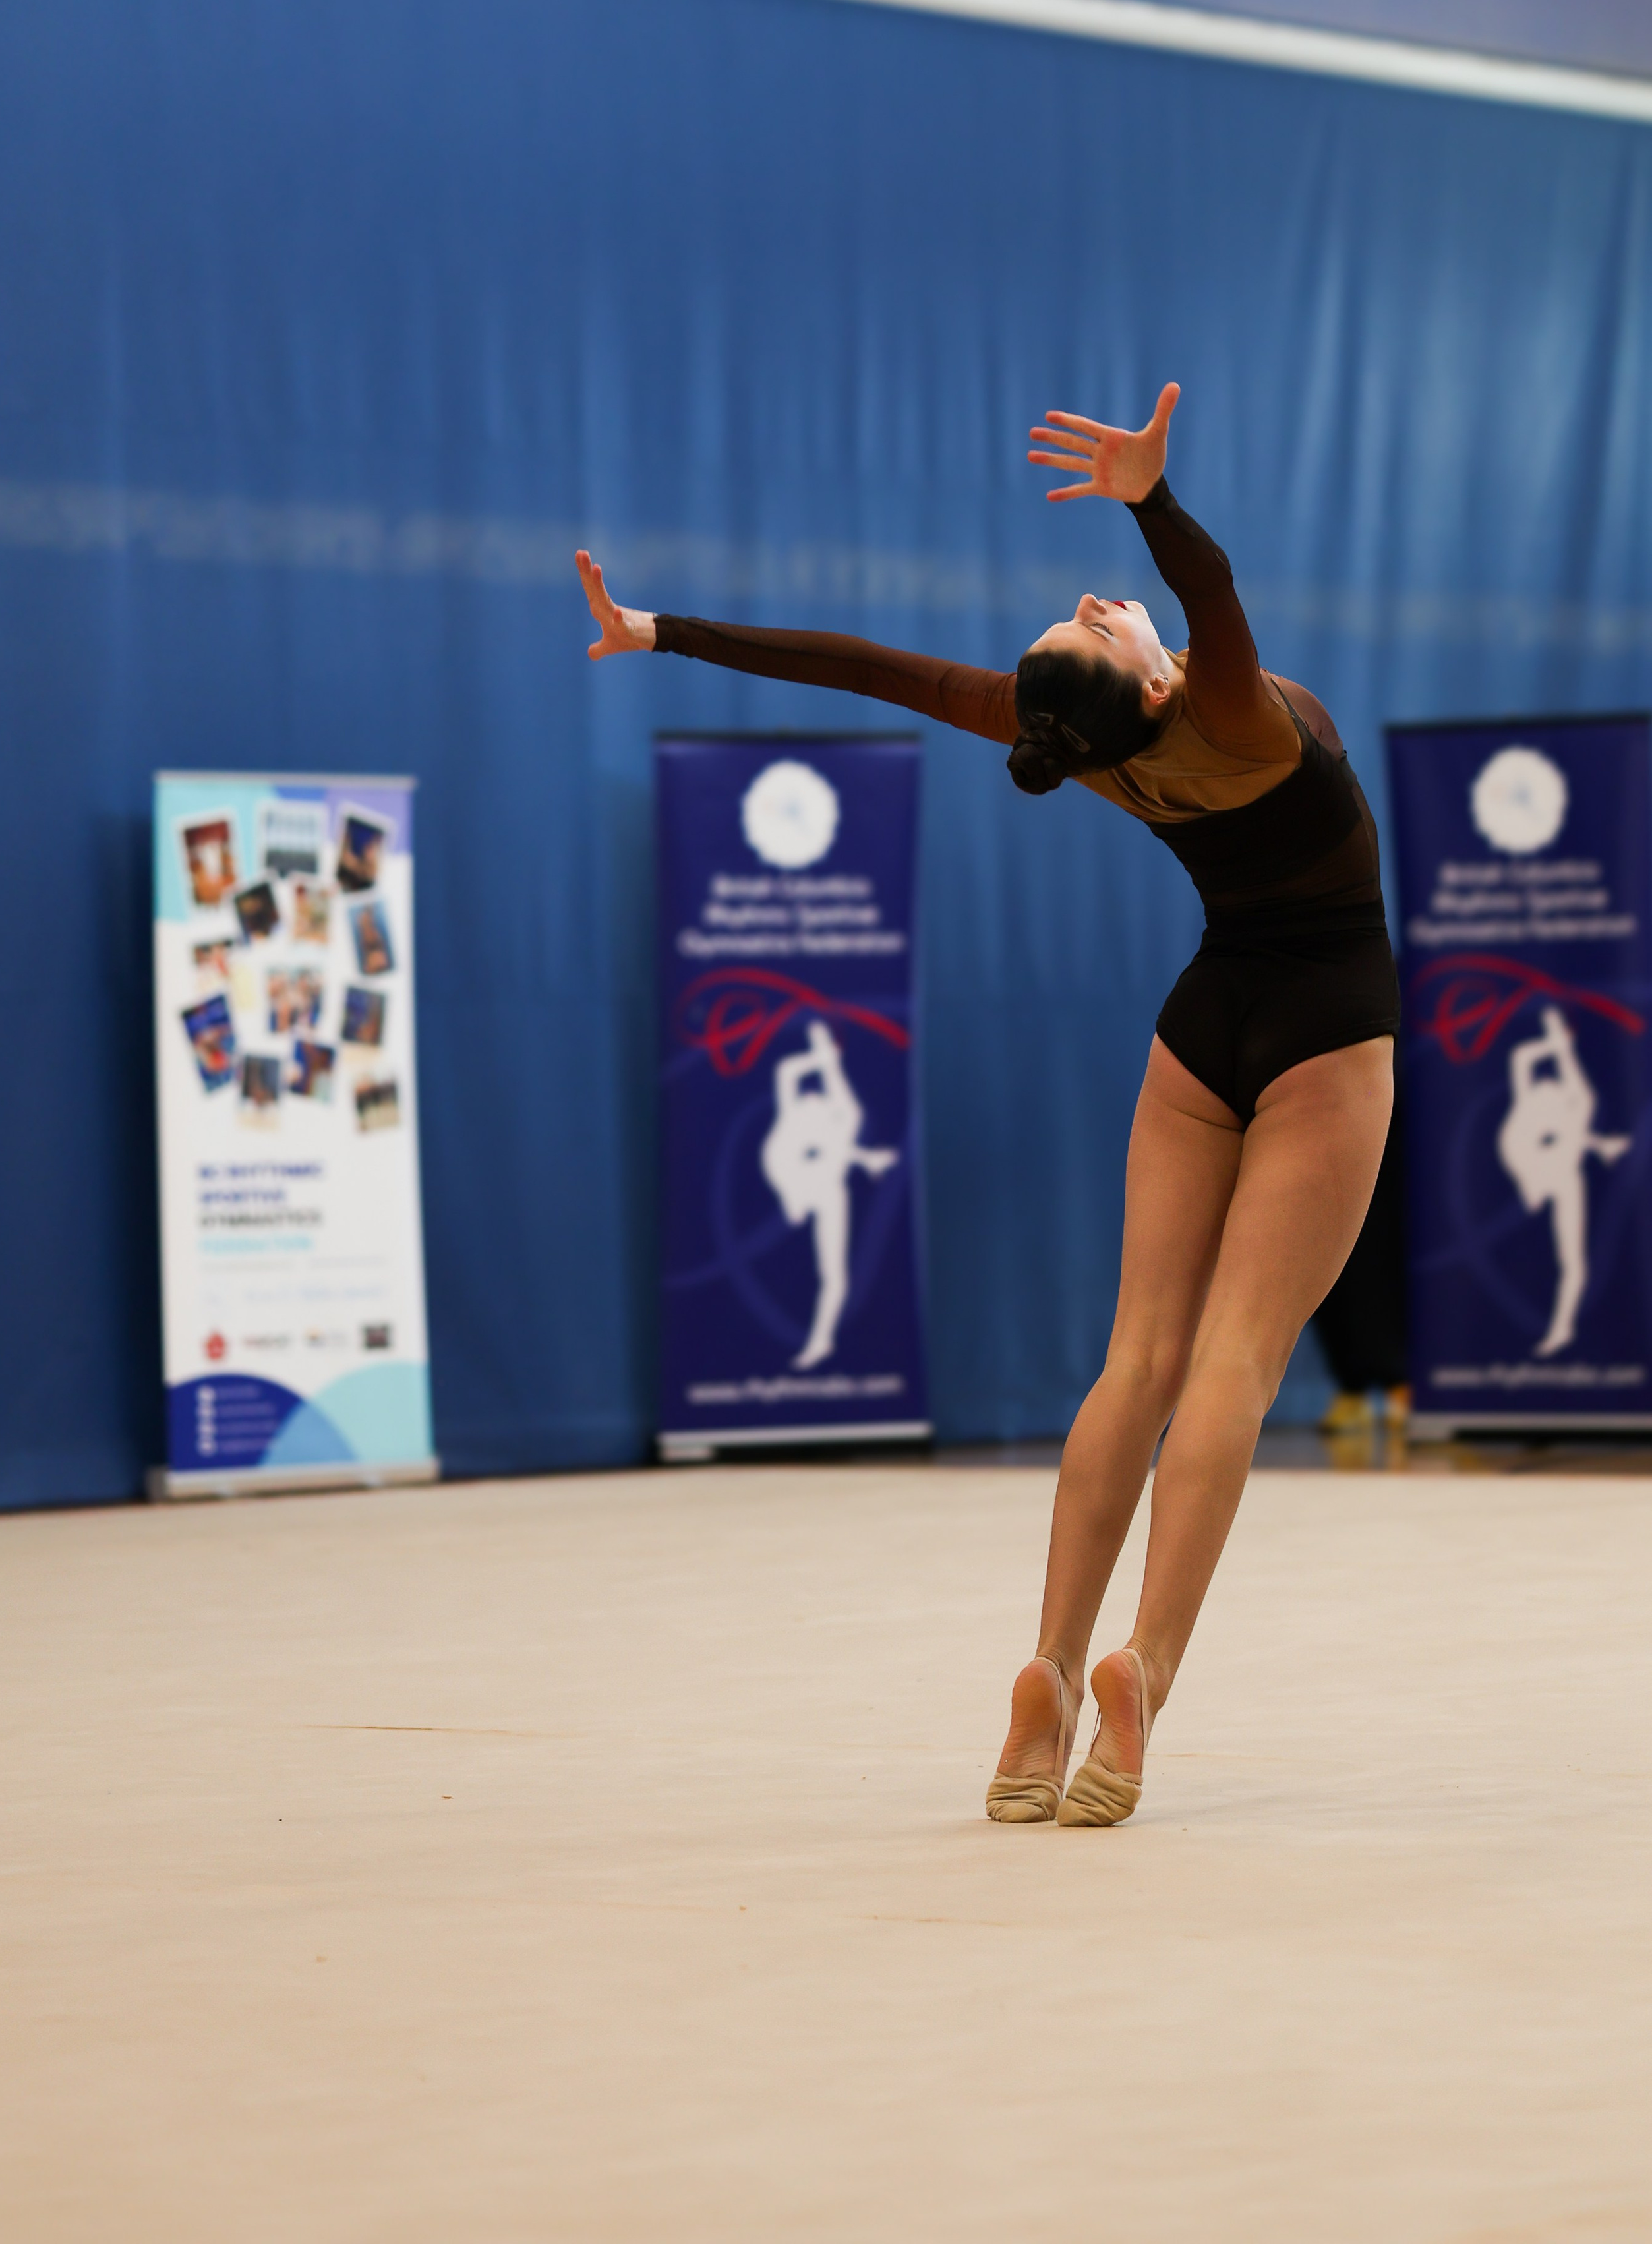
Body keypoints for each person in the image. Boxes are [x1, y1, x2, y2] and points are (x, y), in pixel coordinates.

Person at [577, 383, 1398, 1827]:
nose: (1099, 603)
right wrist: (1147, 503)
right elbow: (1202, 585)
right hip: (1325, 1029)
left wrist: (660, 633)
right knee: (1232, 1366)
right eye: (1095, 624)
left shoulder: (1089, 749)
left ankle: (1045, 1674)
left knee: (1131, 1359)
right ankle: (1138, 1672)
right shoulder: (1218, 706)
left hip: (1200, 1030)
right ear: (1147, 682)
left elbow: (864, 671)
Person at [760, 1020, 900, 1369]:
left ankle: (821, 1340)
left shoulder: (840, 1123)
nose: (814, 1097)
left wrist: (831, 1062)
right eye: (811, 1096)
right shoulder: (792, 1114)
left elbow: (845, 1107)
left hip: (825, 1190)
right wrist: (820, 1054)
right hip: (792, 1179)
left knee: (835, 1275)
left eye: (821, 1098)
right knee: (835, 1150)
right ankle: (792, 1200)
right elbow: (787, 1072)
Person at [1496, 1005, 1629, 1358]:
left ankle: (1562, 1327)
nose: (1549, 1085)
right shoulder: (1529, 1102)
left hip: (1560, 1177)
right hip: (1532, 1172)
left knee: (1573, 1260)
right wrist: (1554, 1041)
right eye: (1546, 1084)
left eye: (1556, 1086)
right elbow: (1523, 1059)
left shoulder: (1575, 1109)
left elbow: (1579, 1089)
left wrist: (1563, 1046)